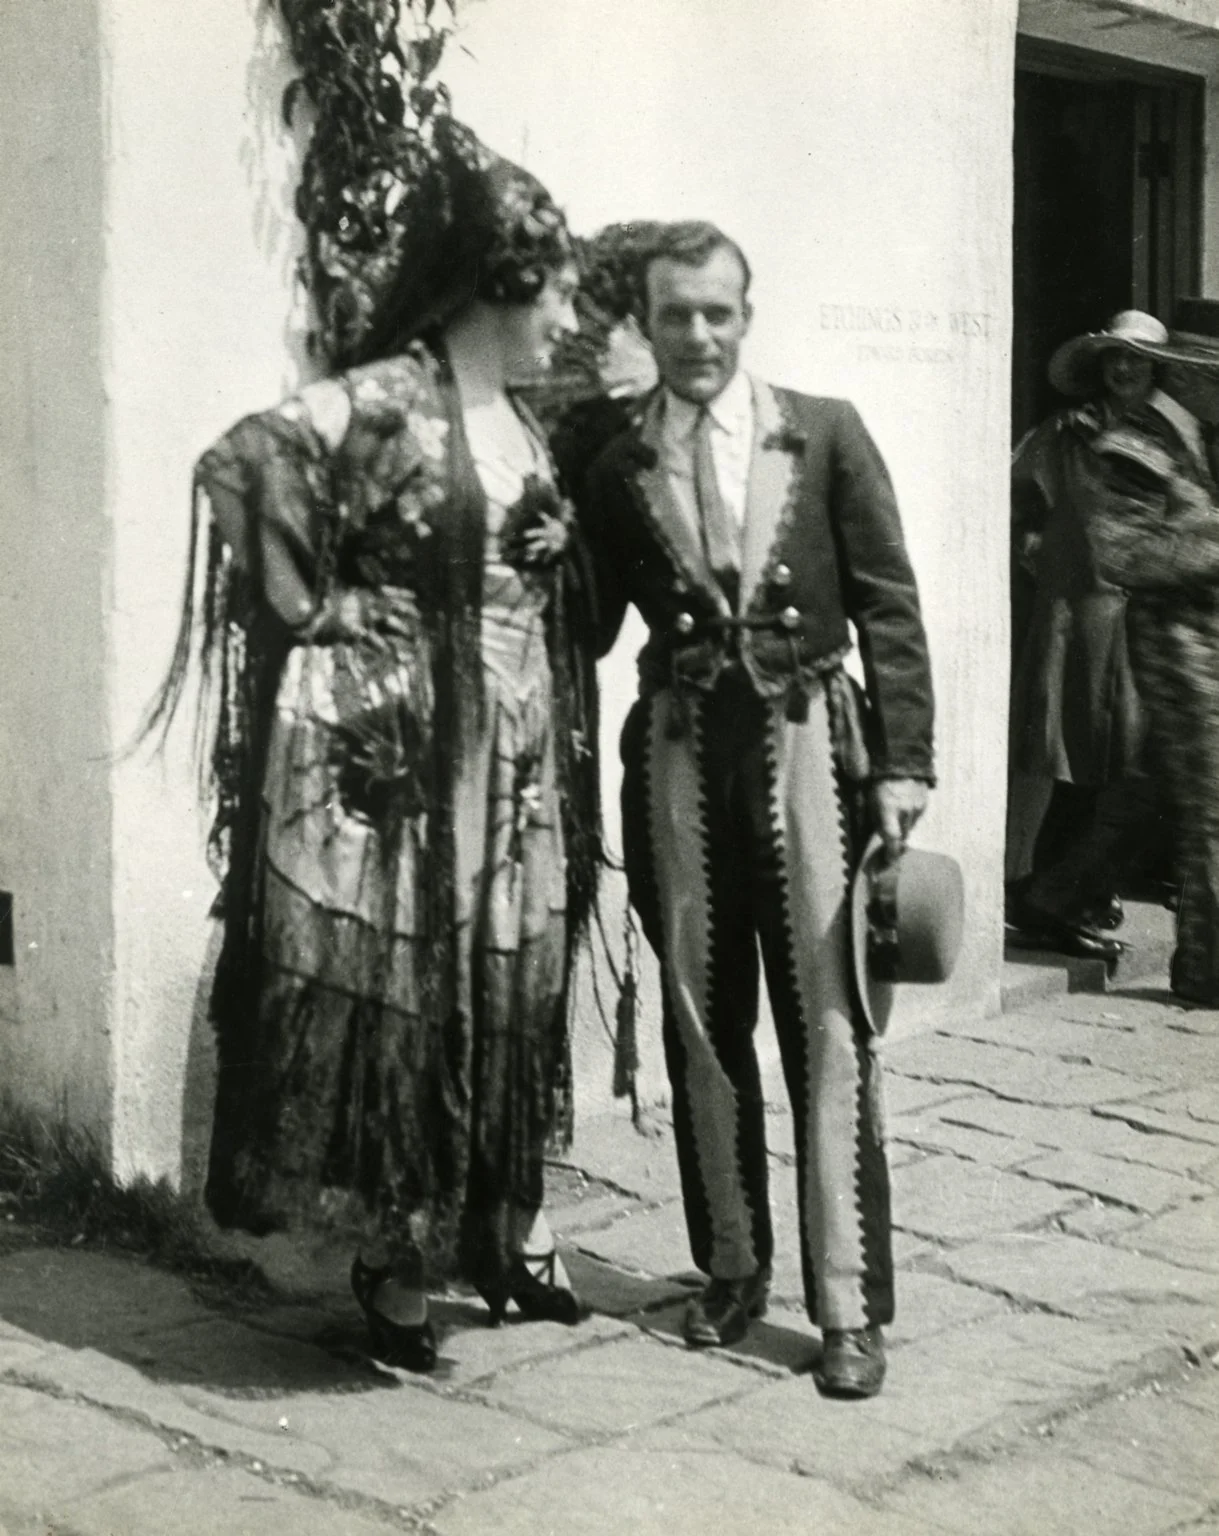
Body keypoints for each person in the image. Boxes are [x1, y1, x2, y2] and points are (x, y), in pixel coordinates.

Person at [147, 126, 599, 1372]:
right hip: (414, 774)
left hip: (510, 768)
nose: (568, 312)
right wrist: (321, 613)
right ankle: (397, 1270)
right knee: (411, 1005)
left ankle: (508, 1233)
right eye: (555, 287)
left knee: (499, 991)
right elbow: (247, 461)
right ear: (494, 284)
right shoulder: (390, 396)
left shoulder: (519, 419)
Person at [577, 222, 934, 1398]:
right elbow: (584, 625)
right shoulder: (612, 459)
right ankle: (731, 1270)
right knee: (698, 1017)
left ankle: (846, 1308)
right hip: (680, 759)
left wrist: (904, 762)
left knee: (828, 1028)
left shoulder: (822, 431)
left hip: (808, 755)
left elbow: (886, 598)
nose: (696, 337)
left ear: (746, 314)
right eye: (673, 314)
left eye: (716, 313)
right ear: (645, 320)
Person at [1006, 311, 1183, 961]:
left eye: (1137, 359)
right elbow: (1019, 497)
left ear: (1156, 369)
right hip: (1078, 614)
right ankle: (1043, 902)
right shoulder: (1064, 433)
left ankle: (1070, 893)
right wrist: (1036, 546)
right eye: (1115, 358)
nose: (1125, 367)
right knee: (1073, 759)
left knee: (1125, 765)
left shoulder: (1166, 440)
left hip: (1142, 621)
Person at [1087, 300, 1219, 1004]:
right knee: (1210, 800)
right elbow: (1121, 553)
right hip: (1176, 643)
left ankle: (1055, 895)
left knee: (1159, 787)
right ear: (1190, 376)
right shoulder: (1133, 445)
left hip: (1206, 636)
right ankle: (1205, 970)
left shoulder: (1200, 438)